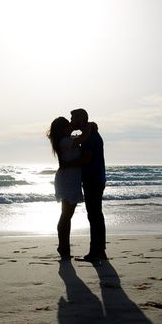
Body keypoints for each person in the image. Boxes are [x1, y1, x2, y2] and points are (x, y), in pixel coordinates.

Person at [47, 117, 93, 260]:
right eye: (67, 126)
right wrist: (89, 126)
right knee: (66, 215)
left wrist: (73, 127)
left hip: (70, 178)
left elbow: (79, 138)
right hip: (67, 180)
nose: (71, 127)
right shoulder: (64, 141)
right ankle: (63, 246)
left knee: (67, 214)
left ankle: (64, 246)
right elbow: (84, 137)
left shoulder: (66, 139)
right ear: (62, 129)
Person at [68, 108, 107, 262]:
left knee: (94, 215)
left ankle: (97, 251)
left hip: (93, 178)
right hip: (95, 178)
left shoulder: (90, 136)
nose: (71, 121)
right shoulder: (89, 133)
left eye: (73, 118)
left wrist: (67, 164)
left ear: (81, 118)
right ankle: (98, 250)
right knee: (95, 215)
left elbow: (86, 158)